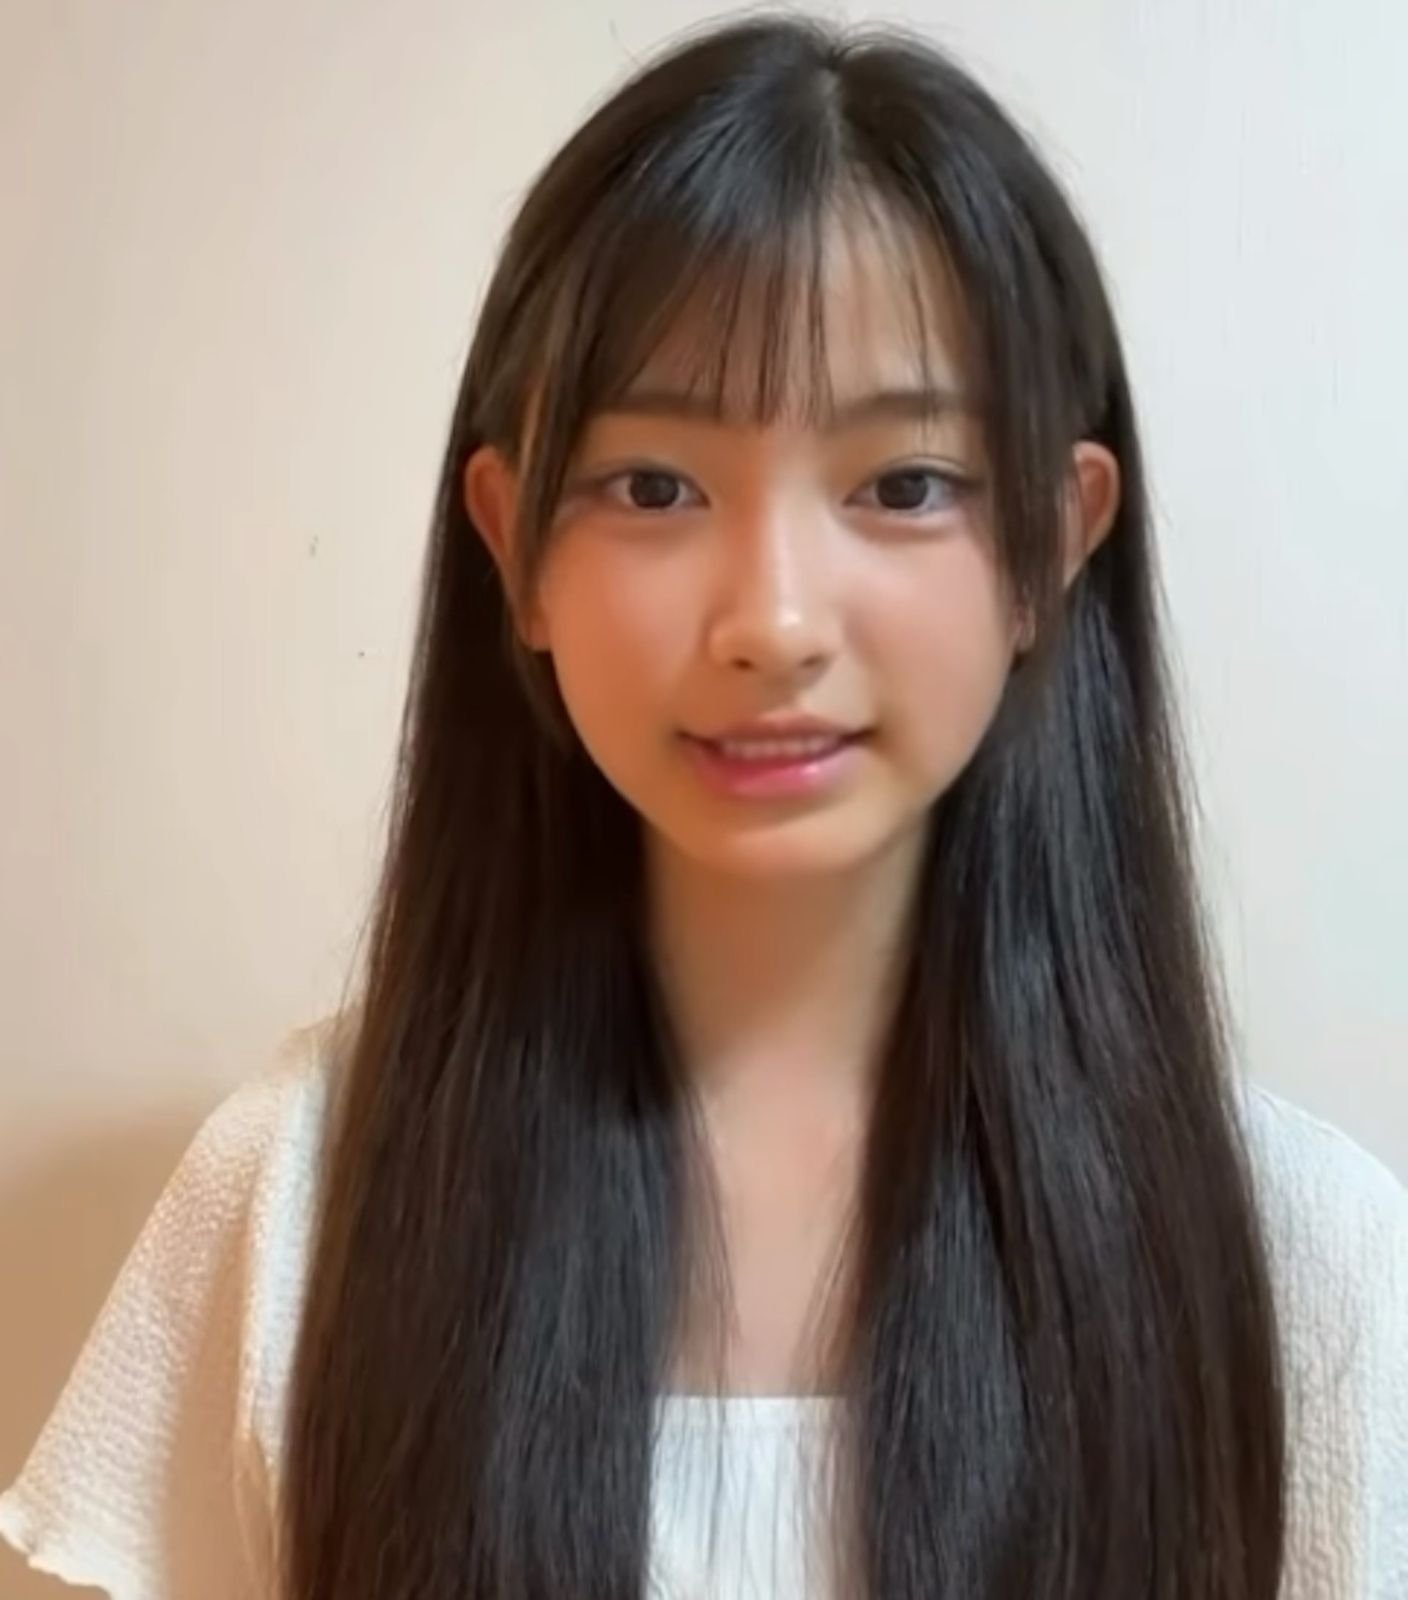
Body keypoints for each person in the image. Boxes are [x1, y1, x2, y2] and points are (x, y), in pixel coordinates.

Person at [2, 12, 1405, 1599]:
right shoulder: (300, 1203)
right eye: (654, 487)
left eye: (905, 484)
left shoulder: (1299, 1266)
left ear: (1052, 543)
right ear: (516, 546)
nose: (773, 621)